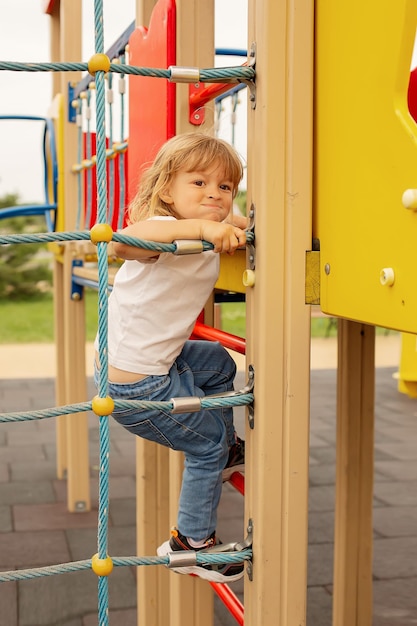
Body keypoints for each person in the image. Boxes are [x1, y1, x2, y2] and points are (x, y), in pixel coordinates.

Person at [94, 132, 247, 582]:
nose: (213, 196)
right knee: (205, 446)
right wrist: (203, 227)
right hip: (137, 388)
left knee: (218, 361)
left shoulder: (205, 227)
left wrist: (234, 222)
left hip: (161, 365)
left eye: (224, 187)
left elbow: (238, 221)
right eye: (198, 184)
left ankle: (227, 449)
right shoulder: (164, 234)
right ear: (166, 191)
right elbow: (124, 242)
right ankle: (192, 543)